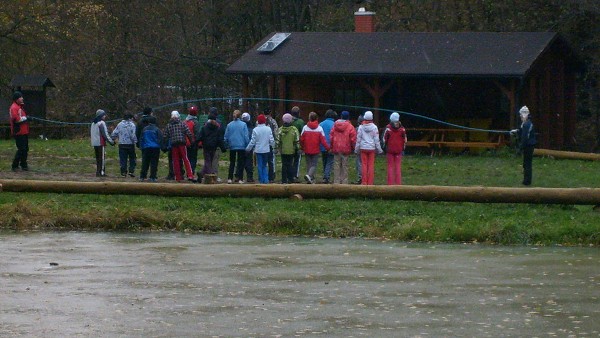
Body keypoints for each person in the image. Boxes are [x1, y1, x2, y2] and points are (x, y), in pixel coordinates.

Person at [163, 110, 195, 182]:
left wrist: (164, 144)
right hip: (182, 144)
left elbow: (165, 136)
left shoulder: (169, 125)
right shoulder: (182, 124)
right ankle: (190, 175)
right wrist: (192, 142)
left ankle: (178, 177)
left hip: (174, 144)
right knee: (185, 159)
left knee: (175, 161)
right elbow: (189, 133)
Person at [300, 111, 330, 184]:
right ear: (316, 118)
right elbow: (323, 140)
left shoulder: (305, 127)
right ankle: (310, 176)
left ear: (309, 118)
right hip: (315, 149)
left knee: (309, 164)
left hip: (307, 148)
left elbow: (301, 139)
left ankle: (310, 178)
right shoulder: (319, 128)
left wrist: (302, 147)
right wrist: (328, 148)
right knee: (314, 164)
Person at [355, 111, 383, 185]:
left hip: (363, 148)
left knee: (364, 165)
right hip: (371, 148)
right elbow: (376, 140)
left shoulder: (361, 127)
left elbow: (358, 139)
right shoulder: (374, 127)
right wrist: (379, 150)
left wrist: (356, 149)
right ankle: (370, 182)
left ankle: (364, 182)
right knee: (371, 165)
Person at [245, 114, 274, 184]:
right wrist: (274, 146)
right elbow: (271, 140)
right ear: (264, 121)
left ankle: (261, 180)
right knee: (265, 165)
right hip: (266, 150)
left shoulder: (255, 130)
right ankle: (266, 179)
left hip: (258, 150)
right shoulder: (268, 129)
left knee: (260, 165)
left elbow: (253, 141)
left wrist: (248, 149)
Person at [511, 106, 537, 186]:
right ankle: (526, 180)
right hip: (528, 145)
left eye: (521, 115)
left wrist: (520, 148)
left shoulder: (527, 124)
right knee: (526, 163)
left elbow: (524, 137)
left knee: (527, 163)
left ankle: (527, 181)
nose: (520, 116)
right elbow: (521, 131)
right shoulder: (525, 123)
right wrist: (515, 131)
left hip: (529, 146)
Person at [329, 110, 356, 184]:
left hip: (336, 147)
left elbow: (331, 137)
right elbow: (353, 139)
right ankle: (344, 182)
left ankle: (336, 182)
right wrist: (353, 148)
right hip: (346, 148)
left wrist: (331, 147)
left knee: (336, 165)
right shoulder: (350, 127)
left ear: (341, 116)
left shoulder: (335, 126)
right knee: (345, 166)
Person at [198, 112, 226, 182]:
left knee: (207, 162)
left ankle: (201, 174)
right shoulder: (217, 128)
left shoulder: (204, 128)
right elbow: (219, 139)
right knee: (209, 162)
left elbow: (200, 137)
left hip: (206, 147)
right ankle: (210, 175)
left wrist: (196, 144)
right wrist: (223, 148)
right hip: (213, 147)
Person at [224, 109, 249, 183]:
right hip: (241, 146)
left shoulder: (229, 125)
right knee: (240, 163)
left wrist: (228, 144)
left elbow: (226, 136)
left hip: (232, 146)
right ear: (240, 116)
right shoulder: (243, 125)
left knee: (232, 162)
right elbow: (246, 136)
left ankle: (229, 178)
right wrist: (247, 144)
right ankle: (240, 178)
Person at [382, 112, 407, 185]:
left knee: (390, 167)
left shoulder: (388, 128)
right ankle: (398, 184)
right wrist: (403, 148)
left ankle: (390, 184)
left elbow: (384, 139)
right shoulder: (402, 129)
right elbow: (405, 139)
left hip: (390, 150)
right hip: (399, 150)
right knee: (398, 167)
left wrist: (384, 147)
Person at [9, 91, 30, 171]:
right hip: (18, 132)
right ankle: (14, 166)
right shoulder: (14, 107)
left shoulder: (20, 107)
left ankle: (24, 165)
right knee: (21, 149)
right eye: (20, 97)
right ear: (16, 99)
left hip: (24, 131)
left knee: (25, 149)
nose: (22, 98)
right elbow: (16, 119)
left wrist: (26, 118)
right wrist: (26, 118)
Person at [276, 113, 300, 184]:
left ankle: (284, 180)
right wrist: (298, 148)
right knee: (290, 164)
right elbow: (297, 140)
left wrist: (276, 148)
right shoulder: (294, 129)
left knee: (284, 164)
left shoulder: (280, 130)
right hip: (291, 150)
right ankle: (290, 179)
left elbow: (277, 140)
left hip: (283, 150)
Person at [112, 113, 137, 177]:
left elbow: (114, 133)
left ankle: (123, 172)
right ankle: (131, 171)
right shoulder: (132, 125)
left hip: (122, 144)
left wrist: (115, 139)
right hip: (130, 144)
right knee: (132, 158)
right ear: (130, 118)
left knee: (123, 158)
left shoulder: (119, 124)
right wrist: (135, 141)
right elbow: (133, 135)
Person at [90, 109, 115, 177]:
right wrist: (112, 142)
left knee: (98, 158)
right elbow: (105, 134)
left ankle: (98, 171)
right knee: (102, 158)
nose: (105, 116)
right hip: (100, 143)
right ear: (101, 116)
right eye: (104, 115)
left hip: (94, 143)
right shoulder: (102, 123)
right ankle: (101, 172)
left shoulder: (93, 123)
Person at [139, 116, 163, 182]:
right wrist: (160, 146)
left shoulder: (144, 129)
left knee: (145, 163)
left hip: (146, 147)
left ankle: (142, 176)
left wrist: (141, 147)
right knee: (154, 163)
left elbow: (141, 138)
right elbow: (161, 138)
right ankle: (153, 177)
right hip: (155, 148)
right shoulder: (157, 129)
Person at [208, 107, 225, 182]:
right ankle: (214, 176)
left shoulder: (206, 123)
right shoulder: (220, 123)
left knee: (208, 161)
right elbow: (221, 135)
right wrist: (222, 146)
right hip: (216, 146)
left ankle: (207, 175)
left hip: (207, 146)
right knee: (215, 162)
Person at [319, 109, 337, 183]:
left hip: (323, 145)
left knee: (324, 161)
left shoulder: (321, 124)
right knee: (329, 162)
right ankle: (326, 176)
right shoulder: (335, 124)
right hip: (331, 145)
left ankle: (325, 174)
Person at [184, 106, 202, 175]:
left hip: (186, 142)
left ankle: (188, 172)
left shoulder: (185, 121)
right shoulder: (196, 122)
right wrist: (199, 143)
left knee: (187, 158)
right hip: (193, 143)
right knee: (193, 158)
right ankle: (191, 172)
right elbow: (197, 134)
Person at [290, 106, 305, 182]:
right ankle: (295, 175)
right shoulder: (301, 122)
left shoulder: (288, 120)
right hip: (297, 144)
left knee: (289, 160)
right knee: (297, 161)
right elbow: (303, 133)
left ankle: (289, 175)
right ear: (298, 113)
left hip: (289, 144)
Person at [264, 108, 279, 182]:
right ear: (270, 113)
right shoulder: (273, 121)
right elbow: (276, 132)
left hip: (262, 143)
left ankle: (264, 175)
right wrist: (275, 143)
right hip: (270, 143)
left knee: (264, 160)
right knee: (271, 160)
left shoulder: (259, 121)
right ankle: (271, 176)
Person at [241, 112, 255, 183]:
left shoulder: (241, 126)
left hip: (241, 146)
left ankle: (239, 176)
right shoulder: (251, 127)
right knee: (249, 162)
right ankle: (249, 177)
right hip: (249, 147)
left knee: (241, 162)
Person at [354, 114, 364, 184]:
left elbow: (356, 139)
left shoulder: (357, 129)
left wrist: (355, 148)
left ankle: (361, 177)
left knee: (359, 163)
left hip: (360, 147)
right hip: (368, 147)